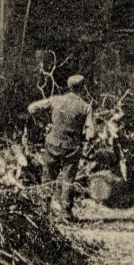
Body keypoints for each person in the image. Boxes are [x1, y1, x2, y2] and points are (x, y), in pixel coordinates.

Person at [26, 73, 93, 219]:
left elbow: (32, 108)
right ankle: (65, 213)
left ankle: (43, 211)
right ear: (82, 88)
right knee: (68, 179)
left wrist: (45, 123)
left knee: (48, 177)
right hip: (72, 147)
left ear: (68, 87)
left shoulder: (56, 100)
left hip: (52, 143)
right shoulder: (85, 107)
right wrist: (83, 137)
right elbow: (91, 133)